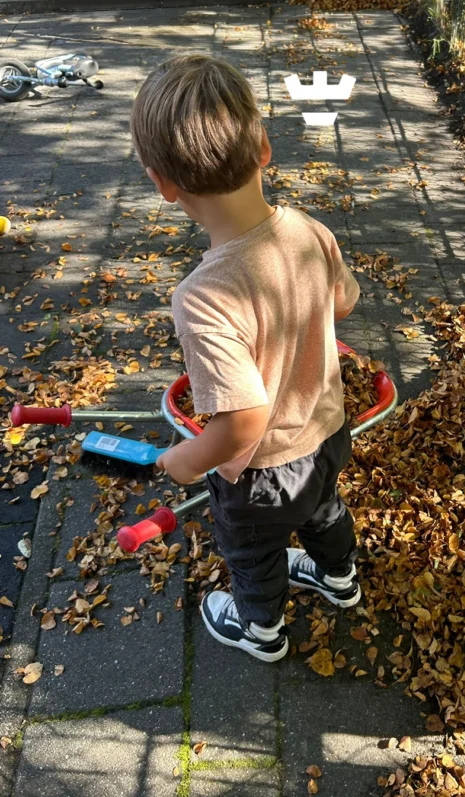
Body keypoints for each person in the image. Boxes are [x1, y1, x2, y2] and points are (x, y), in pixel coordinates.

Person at [131, 54, 362, 662]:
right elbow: (343, 302)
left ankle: (260, 629)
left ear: (163, 184)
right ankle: (340, 578)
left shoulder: (204, 297)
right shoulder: (309, 230)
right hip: (329, 432)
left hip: (261, 475)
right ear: (263, 147)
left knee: (252, 551)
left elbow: (242, 423)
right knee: (324, 507)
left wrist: (185, 461)